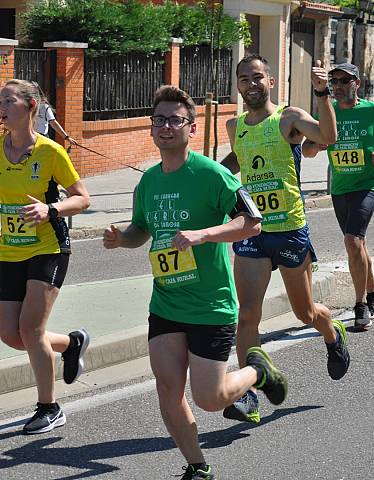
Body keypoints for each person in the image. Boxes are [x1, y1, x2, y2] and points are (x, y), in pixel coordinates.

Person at [103, 85, 288, 480]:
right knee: (168, 388)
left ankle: (258, 371)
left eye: (175, 120)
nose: (165, 127)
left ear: (191, 127)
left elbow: (251, 223)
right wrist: (122, 239)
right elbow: (141, 230)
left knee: (209, 398)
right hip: (167, 303)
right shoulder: (149, 182)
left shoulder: (213, 174)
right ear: (151, 128)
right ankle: (197, 466)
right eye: (159, 120)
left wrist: (204, 234)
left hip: (210, 306)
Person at [220, 54, 350, 425]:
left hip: (290, 229)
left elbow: (327, 137)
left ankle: (332, 331)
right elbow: (237, 160)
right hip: (254, 231)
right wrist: (209, 177)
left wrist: (322, 92)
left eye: (258, 77)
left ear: (270, 82)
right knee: (246, 316)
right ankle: (248, 395)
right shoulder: (235, 126)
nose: (251, 84)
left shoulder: (288, 118)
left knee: (304, 313)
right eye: (244, 78)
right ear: (239, 85)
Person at [0, 79, 91, 434]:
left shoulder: (50, 152)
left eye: (9, 101)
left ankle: (49, 407)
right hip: (8, 249)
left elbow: (82, 198)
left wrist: (51, 209)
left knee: (31, 328)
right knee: (11, 334)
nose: (3, 107)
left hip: (47, 248)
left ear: (30, 107)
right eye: (0, 101)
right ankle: (71, 343)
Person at [302, 63, 374, 329]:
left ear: (356, 83)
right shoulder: (329, 111)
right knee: (358, 244)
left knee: (352, 240)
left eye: (344, 81)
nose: (337, 86)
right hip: (340, 188)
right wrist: (318, 144)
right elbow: (306, 150)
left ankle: (360, 305)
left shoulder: (371, 110)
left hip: (368, 183)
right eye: (333, 81)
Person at [32, 82, 77, 146]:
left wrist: (67, 137)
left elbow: (53, 123)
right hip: (28, 138)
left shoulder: (44, 107)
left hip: (41, 139)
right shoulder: (23, 107)